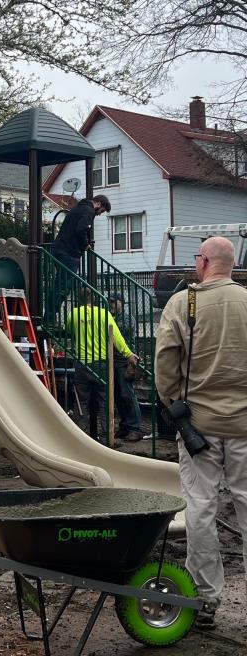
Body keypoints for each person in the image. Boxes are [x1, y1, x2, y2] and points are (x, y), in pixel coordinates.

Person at [154, 236, 247, 630]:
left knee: (201, 511)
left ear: (205, 262)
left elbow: (165, 362)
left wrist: (176, 402)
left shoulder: (182, 303)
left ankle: (205, 601)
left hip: (199, 430)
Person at [65, 288, 138, 443]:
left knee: (81, 402)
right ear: (97, 299)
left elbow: (69, 330)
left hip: (82, 364)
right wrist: (129, 355)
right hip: (102, 365)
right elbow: (117, 338)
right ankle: (107, 438)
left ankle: (82, 438)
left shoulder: (74, 314)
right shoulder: (105, 315)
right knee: (105, 402)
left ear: (79, 299)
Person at [44, 195, 111, 321]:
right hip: (69, 252)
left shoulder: (78, 208)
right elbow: (81, 229)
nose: (99, 214)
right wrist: (85, 244)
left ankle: (50, 315)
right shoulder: (89, 211)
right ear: (98, 204)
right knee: (63, 287)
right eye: (101, 211)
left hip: (59, 249)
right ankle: (49, 317)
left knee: (60, 285)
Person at [109, 292, 143, 441]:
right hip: (112, 361)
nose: (111, 305)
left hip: (124, 362)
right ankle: (125, 426)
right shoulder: (111, 317)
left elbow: (118, 332)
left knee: (127, 395)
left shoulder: (128, 319)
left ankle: (135, 428)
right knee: (117, 396)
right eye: (110, 302)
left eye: (114, 302)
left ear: (121, 302)